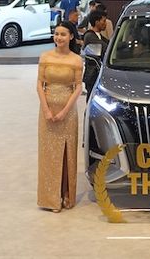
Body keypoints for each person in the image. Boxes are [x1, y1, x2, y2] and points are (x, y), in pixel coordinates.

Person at [36, 22, 83, 211]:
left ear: (71, 36)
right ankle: (50, 199)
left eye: (63, 34)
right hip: (46, 112)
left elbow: (78, 87)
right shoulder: (45, 57)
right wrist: (46, 110)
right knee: (48, 154)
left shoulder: (76, 60)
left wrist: (64, 112)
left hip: (68, 112)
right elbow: (40, 85)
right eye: (56, 34)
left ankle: (65, 194)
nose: (59, 37)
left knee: (66, 153)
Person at [82, 11, 109, 98]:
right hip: (92, 75)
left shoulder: (99, 36)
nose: (105, 24)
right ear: (97, 22)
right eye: (103, 21)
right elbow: (107, 48)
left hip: (98, 74)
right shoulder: (90, 36)